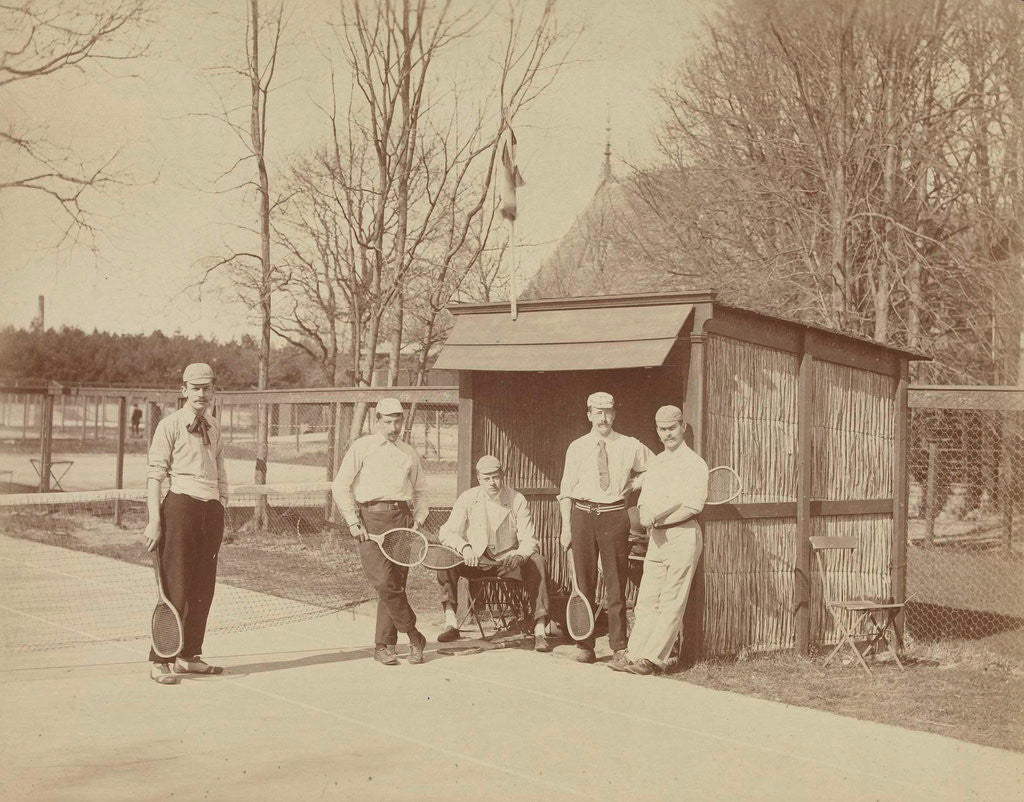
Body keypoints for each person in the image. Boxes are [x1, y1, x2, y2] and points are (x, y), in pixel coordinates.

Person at [143, 363, 228, 685]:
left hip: (211, 511)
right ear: (184, 390)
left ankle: (189, 655)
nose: (202, 394)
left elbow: (221, 472)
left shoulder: (216, 426)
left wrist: (222, 504)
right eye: (195, 388)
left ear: (213, 391)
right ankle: (160, 659)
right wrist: (155, 521)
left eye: (207, 388)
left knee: (203, 588)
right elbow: (155, 475)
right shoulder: (170, 425)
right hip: (180, 506)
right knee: (175, 586)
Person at [610, 405, 708, 676]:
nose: (667, 434)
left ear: (683, 428)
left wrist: (661, 519)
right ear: (657, 431)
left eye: (672, 428)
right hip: (657, 538)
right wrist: (645, 516)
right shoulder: (656, 463)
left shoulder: (695, 464)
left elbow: (693, 505)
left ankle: (653, 659)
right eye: (662, 430)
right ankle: (635, 654)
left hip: (683, 535)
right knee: (647, 598)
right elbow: (643, 502)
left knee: (671, 598)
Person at [333, 398, 430, 666]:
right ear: (377, 421)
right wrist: (354, 522)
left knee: (395, 585)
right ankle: (414, 635)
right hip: (369, 520)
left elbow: (421, 491)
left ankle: (383, 646)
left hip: (402, 519)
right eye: (387, 421)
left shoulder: (408, 452)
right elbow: (340, 486)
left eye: (398, 421)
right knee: (383, 582)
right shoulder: (362, 447)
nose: (393, 426)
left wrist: (418, 520)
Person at [559, 392, 651, 664]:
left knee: (615, 582)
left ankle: (618, 646)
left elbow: (655, 468)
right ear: (588, 414)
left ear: (614, 414)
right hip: (582, 515)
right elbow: (566, 489)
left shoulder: (630, 445)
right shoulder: (576, 447)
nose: (604, 417)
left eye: (608, 411)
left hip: (614, 515)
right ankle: (584, 645)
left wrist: (636, 483)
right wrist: (566, 527)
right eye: (598, 412)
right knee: (583, 581)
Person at [434, 455, 552, 652]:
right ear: (478, 478)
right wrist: (465, 547)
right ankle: (451, 623)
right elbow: (446, 532)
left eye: (496, 477)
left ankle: (539, 630)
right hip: (475, 561)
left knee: (537, 561)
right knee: (445, 557)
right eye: (486, 478)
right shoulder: (468, 498)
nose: (492, 483)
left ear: (502, 476)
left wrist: (520, 556)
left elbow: (529, 538)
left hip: (507, 562)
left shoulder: (517, 499)